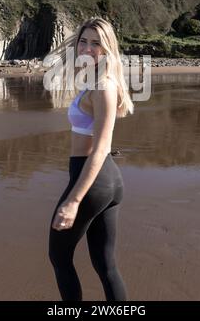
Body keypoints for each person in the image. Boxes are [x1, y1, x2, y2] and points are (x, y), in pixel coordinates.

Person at [44, 17, 134, 301]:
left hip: (93, 182)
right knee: (104, 264)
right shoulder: (96, 80)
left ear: (108, 49)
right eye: (83, 41)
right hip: (106, 181)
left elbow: (100, 149)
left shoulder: (103, 86)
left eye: (96, 43)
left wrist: (73, 202)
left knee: (59, 257)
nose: (87, 48)